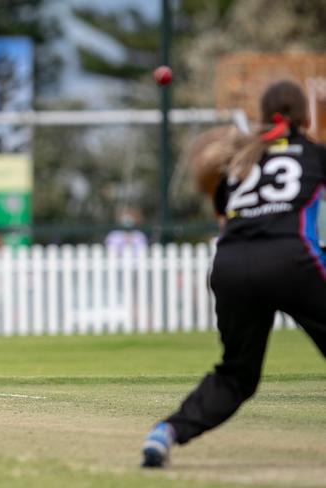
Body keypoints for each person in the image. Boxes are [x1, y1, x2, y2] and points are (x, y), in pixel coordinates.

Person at [141, 80, 326, 467]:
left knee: (237, 375)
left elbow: (225, 217)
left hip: (231, 266)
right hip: (292, 259)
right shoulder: (314, 154)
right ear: (305, 117)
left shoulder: (239, 161)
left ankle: (167, 432)